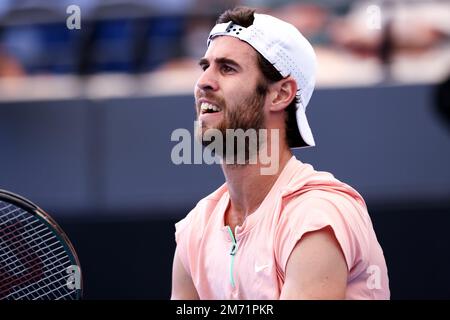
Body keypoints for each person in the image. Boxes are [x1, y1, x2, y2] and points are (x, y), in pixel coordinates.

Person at [171, 6, 389, 299]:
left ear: (281, 94)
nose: (203, 82)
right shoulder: (195, 229)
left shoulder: (316, 216)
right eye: (204, 66)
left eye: (227, 68)